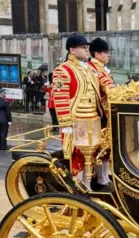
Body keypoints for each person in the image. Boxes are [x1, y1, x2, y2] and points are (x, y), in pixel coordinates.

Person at [52, 33, 111, 191]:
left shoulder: (90, 70)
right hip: (76, 121)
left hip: (94, 120)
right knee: (77, 157)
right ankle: (79, 188)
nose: (87, 50)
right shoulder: (63, 71)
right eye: (83, 48)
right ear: (72, 50)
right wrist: (66, 125)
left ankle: (88, 185)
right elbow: (61, 99)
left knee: (92, 156)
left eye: (87, 47)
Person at [87, 37, 116, 188]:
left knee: (107, 148)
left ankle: (104, 176)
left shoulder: (100, 68)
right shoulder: (94, 68)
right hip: (99, 114)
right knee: (100, 147)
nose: (108, 55)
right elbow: (109, 88)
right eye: (105, 52)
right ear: (97, 54)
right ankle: (101, 178)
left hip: (106, 112)